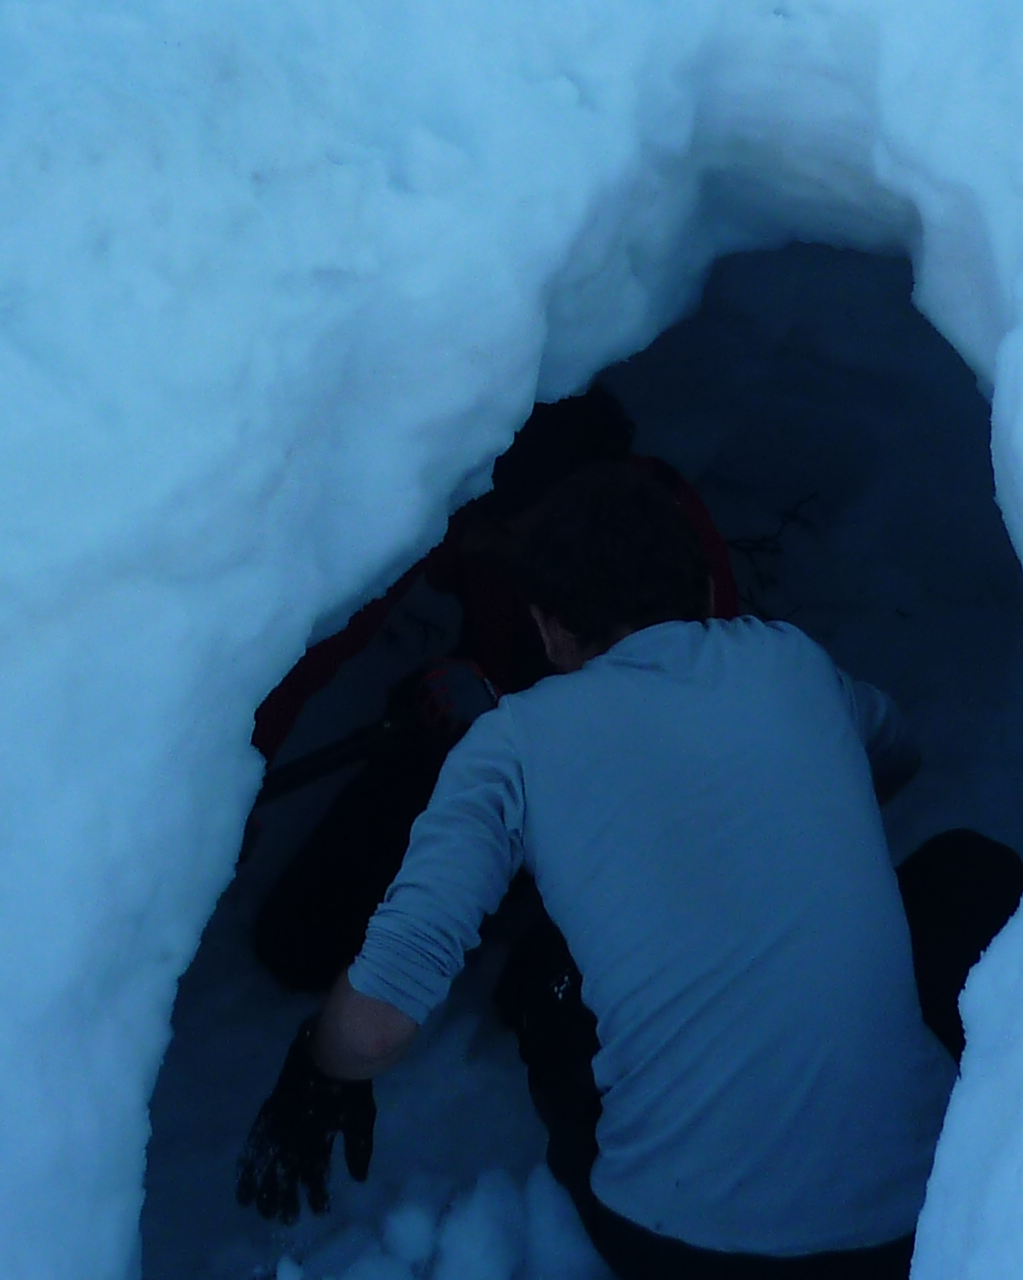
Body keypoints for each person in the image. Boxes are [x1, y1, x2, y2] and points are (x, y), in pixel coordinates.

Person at [237, 457, 1008, 1280]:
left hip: (687, 1255)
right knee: (965, 874)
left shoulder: (512, 744)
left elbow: (382, 1019)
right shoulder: (793, 665)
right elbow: (893, 757)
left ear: (550, 627)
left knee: (546, 979)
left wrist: (317, 1069)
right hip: (921, 1225)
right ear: (702, 590)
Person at [243, 391, 738, 996]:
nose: (479, 544)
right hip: (468, 723)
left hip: (587, 792)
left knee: (549, 1003)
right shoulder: (481, 490)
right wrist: (238, 774)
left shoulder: (666, 566)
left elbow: (666, 759)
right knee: (295, 942)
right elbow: (327, 636)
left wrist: (514, 723)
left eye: (502, 533)